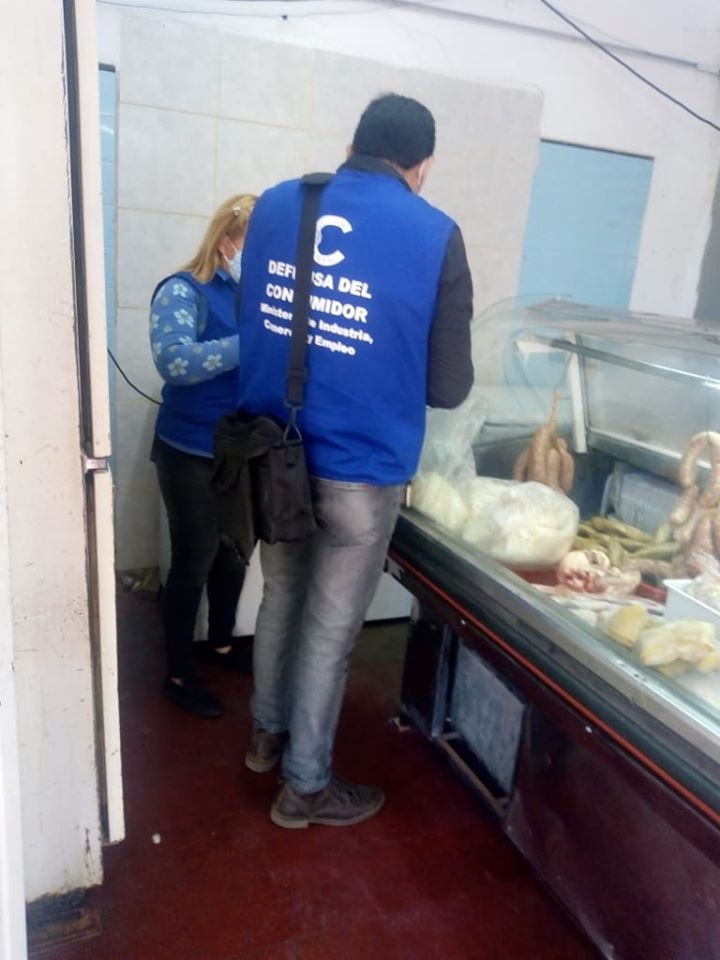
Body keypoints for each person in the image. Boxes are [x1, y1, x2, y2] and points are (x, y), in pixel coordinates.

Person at [236, 93, 474, 827]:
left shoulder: (275, 204)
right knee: (331, 628)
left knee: (281, 595)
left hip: (273, 449)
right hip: (360, 469)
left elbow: (256, 315)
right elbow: (448, 387)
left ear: (351, 147)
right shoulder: (435, 234)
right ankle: (305, 787)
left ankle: (266, 739)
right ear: (422, 166)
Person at [150, 193, 257, 718]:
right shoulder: (183, 289)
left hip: (239, 451)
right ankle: (177, 674)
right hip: (188, 450)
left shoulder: (255, 299)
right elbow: (174, 361)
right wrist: (249, 343)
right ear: (226, 243)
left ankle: (221, 643)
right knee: (194, 560)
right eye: (255, 247)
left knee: (233, 554)